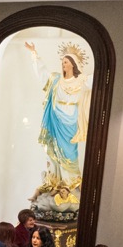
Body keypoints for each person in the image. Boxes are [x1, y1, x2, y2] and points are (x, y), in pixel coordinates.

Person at [24, 42, 92, 185]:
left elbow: (95, 81)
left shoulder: (81, 81)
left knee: (69, 152)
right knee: (53, 151)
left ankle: (71, 182)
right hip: (55, 119)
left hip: (71, 121)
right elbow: (42, 73)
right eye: (62, 62)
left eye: (66, 62)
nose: (63, 64)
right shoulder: (56, 80)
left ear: (73, 64)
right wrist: (34, 53)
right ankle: (54, 181)